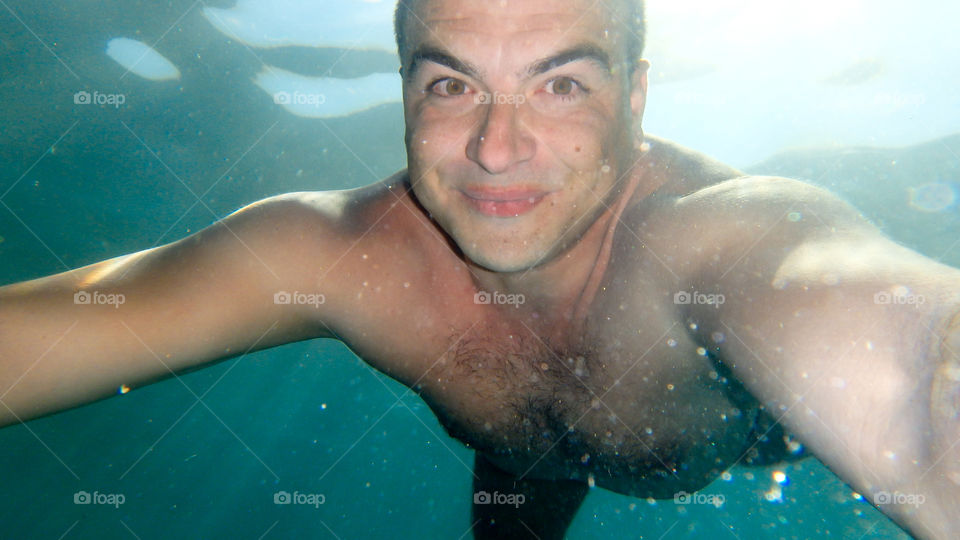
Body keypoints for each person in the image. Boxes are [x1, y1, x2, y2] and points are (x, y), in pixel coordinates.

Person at [2, 0, 958, 538]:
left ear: (639, 98)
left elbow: (916, 370)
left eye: (561, 84)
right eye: (453, 84)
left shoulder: (712, 241)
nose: (499, 149)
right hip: (523, 456)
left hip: (747, 439)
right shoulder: (333, 252)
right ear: (407, 96)